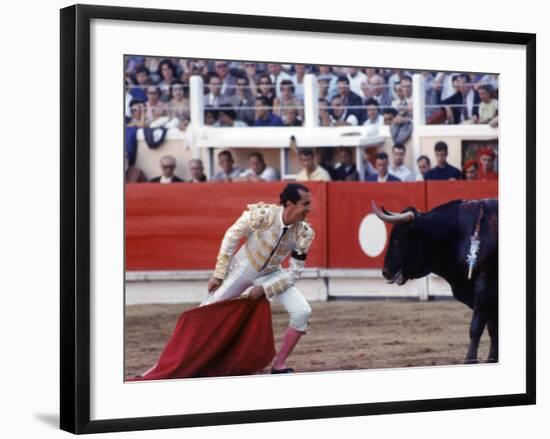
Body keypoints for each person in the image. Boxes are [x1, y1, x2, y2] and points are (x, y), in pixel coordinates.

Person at [204, 183, 315, 373]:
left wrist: (265, 289)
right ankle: (187, 361)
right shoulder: (262, 215)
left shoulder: (304, 233)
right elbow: (231, 236)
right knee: (206, 312)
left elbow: (294, 273)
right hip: (243, 268)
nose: (309, 209)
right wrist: (219, 273)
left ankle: (278, 365)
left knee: (302, 312)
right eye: (305, 204)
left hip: (271, 274)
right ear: (290, 204)